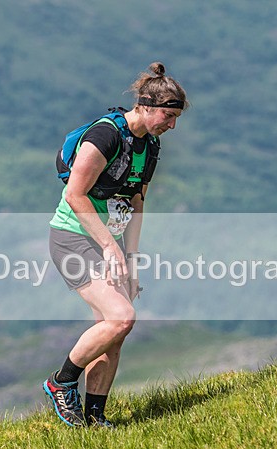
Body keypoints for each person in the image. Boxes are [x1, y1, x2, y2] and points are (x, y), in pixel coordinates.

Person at [43, 62, 189, 427]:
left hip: (106, 241)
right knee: (122, 318)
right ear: (145, 105)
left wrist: (132, 260)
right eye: (168, 116)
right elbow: (75, 195)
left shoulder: (149, 146)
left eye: (175, 118)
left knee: (112, 334)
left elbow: (137, 203)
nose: (171, 125)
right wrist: (110, 248)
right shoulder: (104, 136)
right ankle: (61, 383)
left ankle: (95, 418)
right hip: (73, 238)